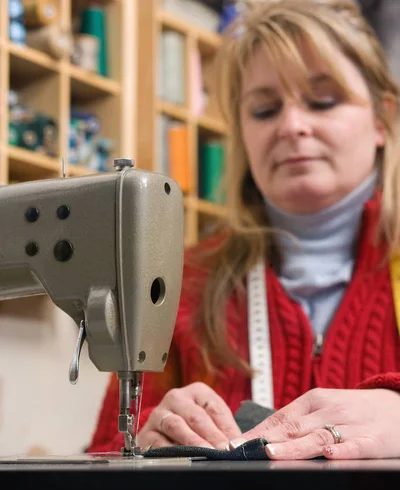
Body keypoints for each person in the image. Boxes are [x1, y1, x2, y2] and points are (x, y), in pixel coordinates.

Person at [88, 0, 400, 461]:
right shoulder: (181, 284)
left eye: (322, 101)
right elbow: (102, 456)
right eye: (264, 110)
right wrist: (142, 445)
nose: (292, 126)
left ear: (383, 119)